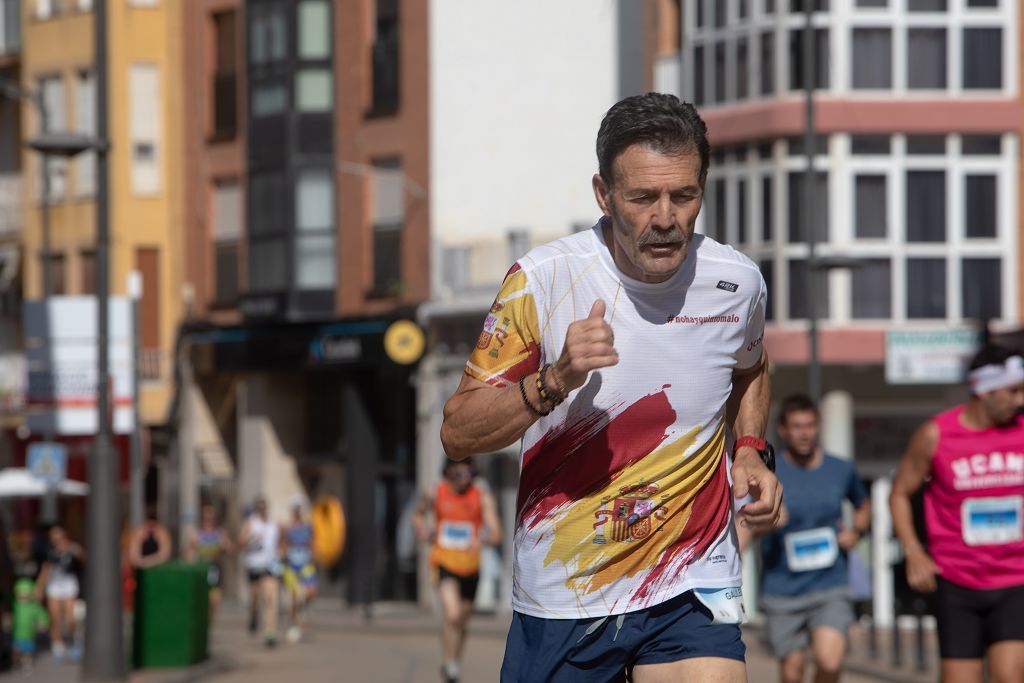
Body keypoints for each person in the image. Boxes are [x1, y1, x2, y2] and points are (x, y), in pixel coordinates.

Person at [440, 92, 782, 682]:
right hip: (567, 591)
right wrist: (553, 381)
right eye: (643, 198)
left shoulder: (736, 282)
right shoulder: (543, 282)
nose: (666, 218)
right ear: (603, 194)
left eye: (685, 195)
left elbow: (750, 366)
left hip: (690, 575)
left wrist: (750, 448)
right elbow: (457, 433)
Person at [889, 344, 1024, 683]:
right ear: (984, 389)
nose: (1020, 400)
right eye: (1014, 391)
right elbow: (900, 494)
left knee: (1011, 674)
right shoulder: (936, 435)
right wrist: (913, 550)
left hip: (1015, 578)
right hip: (956, 581)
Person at [739, 395, 870, 683]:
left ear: (818, 427)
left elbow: (864, 504)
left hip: (831, 584)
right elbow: (747, 522)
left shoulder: (840, 468)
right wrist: (768, 523)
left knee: (830, 660)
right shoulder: (770, 473)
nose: (804, 432)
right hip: (782, 590)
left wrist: (856, 532)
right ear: (784, 430)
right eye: (797, 426)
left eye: (810, 425)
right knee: (793, 671)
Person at [413, 458, 502, 683]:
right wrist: (423, 531)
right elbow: (417, 516)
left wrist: (481, 539)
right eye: (458, 466)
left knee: (462, 620)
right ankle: (449, 663)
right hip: (443, 561)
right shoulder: (435, 492)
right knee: (452, 615)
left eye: (467, 466)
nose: (462, 471)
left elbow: (496, 533)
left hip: (471, 566)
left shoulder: (482, 497)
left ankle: (454, 661)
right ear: (449, 469)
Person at [35, 526, 84, 664]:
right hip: (54, 585)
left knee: (70, 618)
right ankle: (58, 646)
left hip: (69, 584)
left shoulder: (72, 548)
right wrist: (39, 587)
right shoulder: (49, 551)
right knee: (55, 617)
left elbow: (83, 558)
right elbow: (45, 570)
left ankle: (76, 640)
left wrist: (73, 549)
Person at [239, 496, 281, 648]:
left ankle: (270, 632)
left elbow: (280, 543)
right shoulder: (250, 524)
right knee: (255, 599)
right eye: (260, 507)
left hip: (270, 566)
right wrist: (251, 539)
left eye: (265, 507)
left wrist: (280, 554)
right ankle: (253, 614)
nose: (263, 510)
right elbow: (240, 542)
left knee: (270, 599)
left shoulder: (273, 525)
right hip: (254, 566)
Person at [185, 504, 233, 623]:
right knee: (202, 598)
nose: (208, 518)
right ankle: (203, 619)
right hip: (201, 569)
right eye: (206, 515)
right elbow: (187, 551)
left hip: (214, 569)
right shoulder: (197, 533)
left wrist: (223, 547)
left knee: (214, 600)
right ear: (202, 517)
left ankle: (209, 620)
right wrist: (190, 558)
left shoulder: (220, 532)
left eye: (211, 515)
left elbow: (230, 549)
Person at [282, 495, 317, 644]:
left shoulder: (308, 527)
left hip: (305, 564)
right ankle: (293, 626)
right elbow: (283, 545)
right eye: (295, 509)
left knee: (311, 591)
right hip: (292, 565)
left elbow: (312, 543)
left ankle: (303, 610)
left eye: (299, 509)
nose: (297, 512)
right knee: (294, 598)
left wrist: (313, 555)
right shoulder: (287, 528)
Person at [11, 577, 49, 669]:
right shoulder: (14, 604)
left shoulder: (34, 606)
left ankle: (27, 662)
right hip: (16, 634)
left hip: (29, 634)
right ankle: (16, 661)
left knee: (28, 650)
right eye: (21, 594)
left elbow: (42, 615)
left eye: (26, 595)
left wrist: (43, 623)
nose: (23, 597)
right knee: (16, 649)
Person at [128, 505, 173, 570]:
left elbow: (165, 555)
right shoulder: (139, 532)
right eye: (149, 525)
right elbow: (133, 556)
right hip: (141, 568)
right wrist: (143, 562)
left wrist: (149, 562)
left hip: (159, 568)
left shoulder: (162, 533)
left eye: (153, 526)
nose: (151, 529)